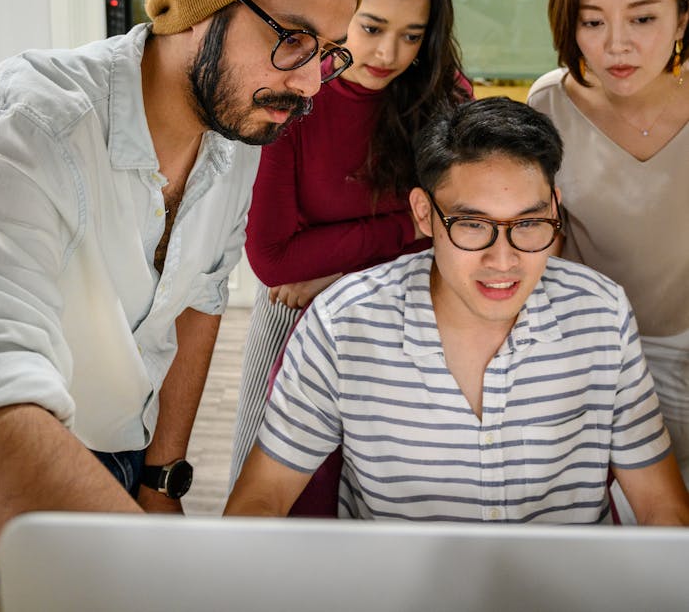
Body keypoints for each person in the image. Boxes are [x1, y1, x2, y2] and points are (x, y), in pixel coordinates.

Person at [0, 0, 362, 562]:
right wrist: (169, 578)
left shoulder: (238, 133)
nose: (310, 83)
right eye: (293, 38)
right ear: (197, 4)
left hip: (126, 455)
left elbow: (198, 299)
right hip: (24, 465)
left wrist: (162, 475)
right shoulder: (33, 124)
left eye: (331, 54)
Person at [224, 97, 689, 525]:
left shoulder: (600, 313)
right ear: (424, 215)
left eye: (528, 224)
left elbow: (661, 505)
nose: (503, 261)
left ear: (554, 209)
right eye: (472, 225)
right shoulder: (344, 324)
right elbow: (261, 499)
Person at [228, 0, 471, 487]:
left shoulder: (445, 93)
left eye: (412, 36)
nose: (389, 54)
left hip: (412, 314)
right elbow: (272, 260)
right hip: (295, 313)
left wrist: (332, 275)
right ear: (343, 15)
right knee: (274, 494)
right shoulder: (295, 88)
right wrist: (410, 225)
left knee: (391, 496)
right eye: (372, 28)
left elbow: (457, 227)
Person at [527, 0, 689, 483]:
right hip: (591, 348)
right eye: (592, 22)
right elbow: (544, 234)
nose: (616, 44)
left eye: (643, 18)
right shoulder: (549, 102)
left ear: (683, 19)